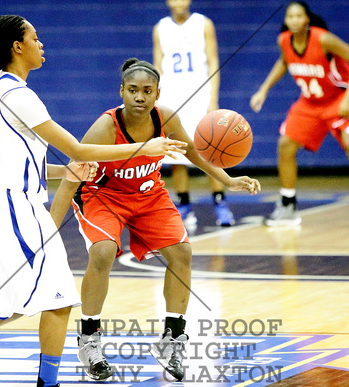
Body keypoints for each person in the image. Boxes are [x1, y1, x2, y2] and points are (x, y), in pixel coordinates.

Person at [0, 16, 187, 387]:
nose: (41, 43)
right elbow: (79, 147)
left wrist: (65, 172)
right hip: (9, 206)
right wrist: (145, 147)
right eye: (34, 38)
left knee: (11, 304)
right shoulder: (19, 95)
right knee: (58, 298)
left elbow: (25, 162)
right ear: (17, 47)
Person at [50, 58, 260, 381]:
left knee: (182, 252)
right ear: (121, 91)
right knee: (103, 251)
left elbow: (192, 153)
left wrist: (228, 181)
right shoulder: (105, 128)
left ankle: (172, 340)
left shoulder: (167, 117)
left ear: (157, 94)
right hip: (102, 196)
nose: (139, 97)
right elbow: (70, 175)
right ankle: (89, 339)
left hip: (148, 195)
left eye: (147, 91)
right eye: (133, 90)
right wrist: (49, 229)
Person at [250, 1, 349, 229]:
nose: (293, 20)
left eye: (298, 16)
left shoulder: (323, 39)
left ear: (307, 19)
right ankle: (288, 207)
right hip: (311, 103)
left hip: (340, 96)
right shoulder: (284, 41)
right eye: (289, 16)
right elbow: (284, 62)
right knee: (285, 145)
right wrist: (263, 89)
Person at [153, 0, 235, 227]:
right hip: (172, 96)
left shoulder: (203, 23)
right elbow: (158, 64)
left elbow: (213, 61)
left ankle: (220, 203)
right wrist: (156, 97)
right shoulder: (160, 27)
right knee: (176, 152)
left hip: (200, 95)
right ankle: (184, 203)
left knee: (210, 150)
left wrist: (213, 98)